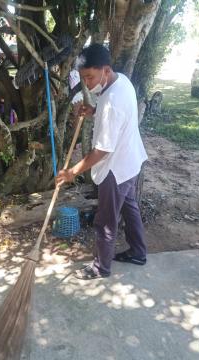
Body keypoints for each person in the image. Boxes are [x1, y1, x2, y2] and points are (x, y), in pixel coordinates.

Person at [55, 44, 148, 280]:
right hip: (131, 160)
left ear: (105, 70)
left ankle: (101, 267)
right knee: (129, 207)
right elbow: (115, 113)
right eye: (83, 77)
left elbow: (102, 151)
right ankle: (138, 252)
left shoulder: (112, 102)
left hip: (115, 169)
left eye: (90, 76)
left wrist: (72, 172)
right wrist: (94, 111)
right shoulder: (121, 81)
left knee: (105, 221)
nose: (86, 82)